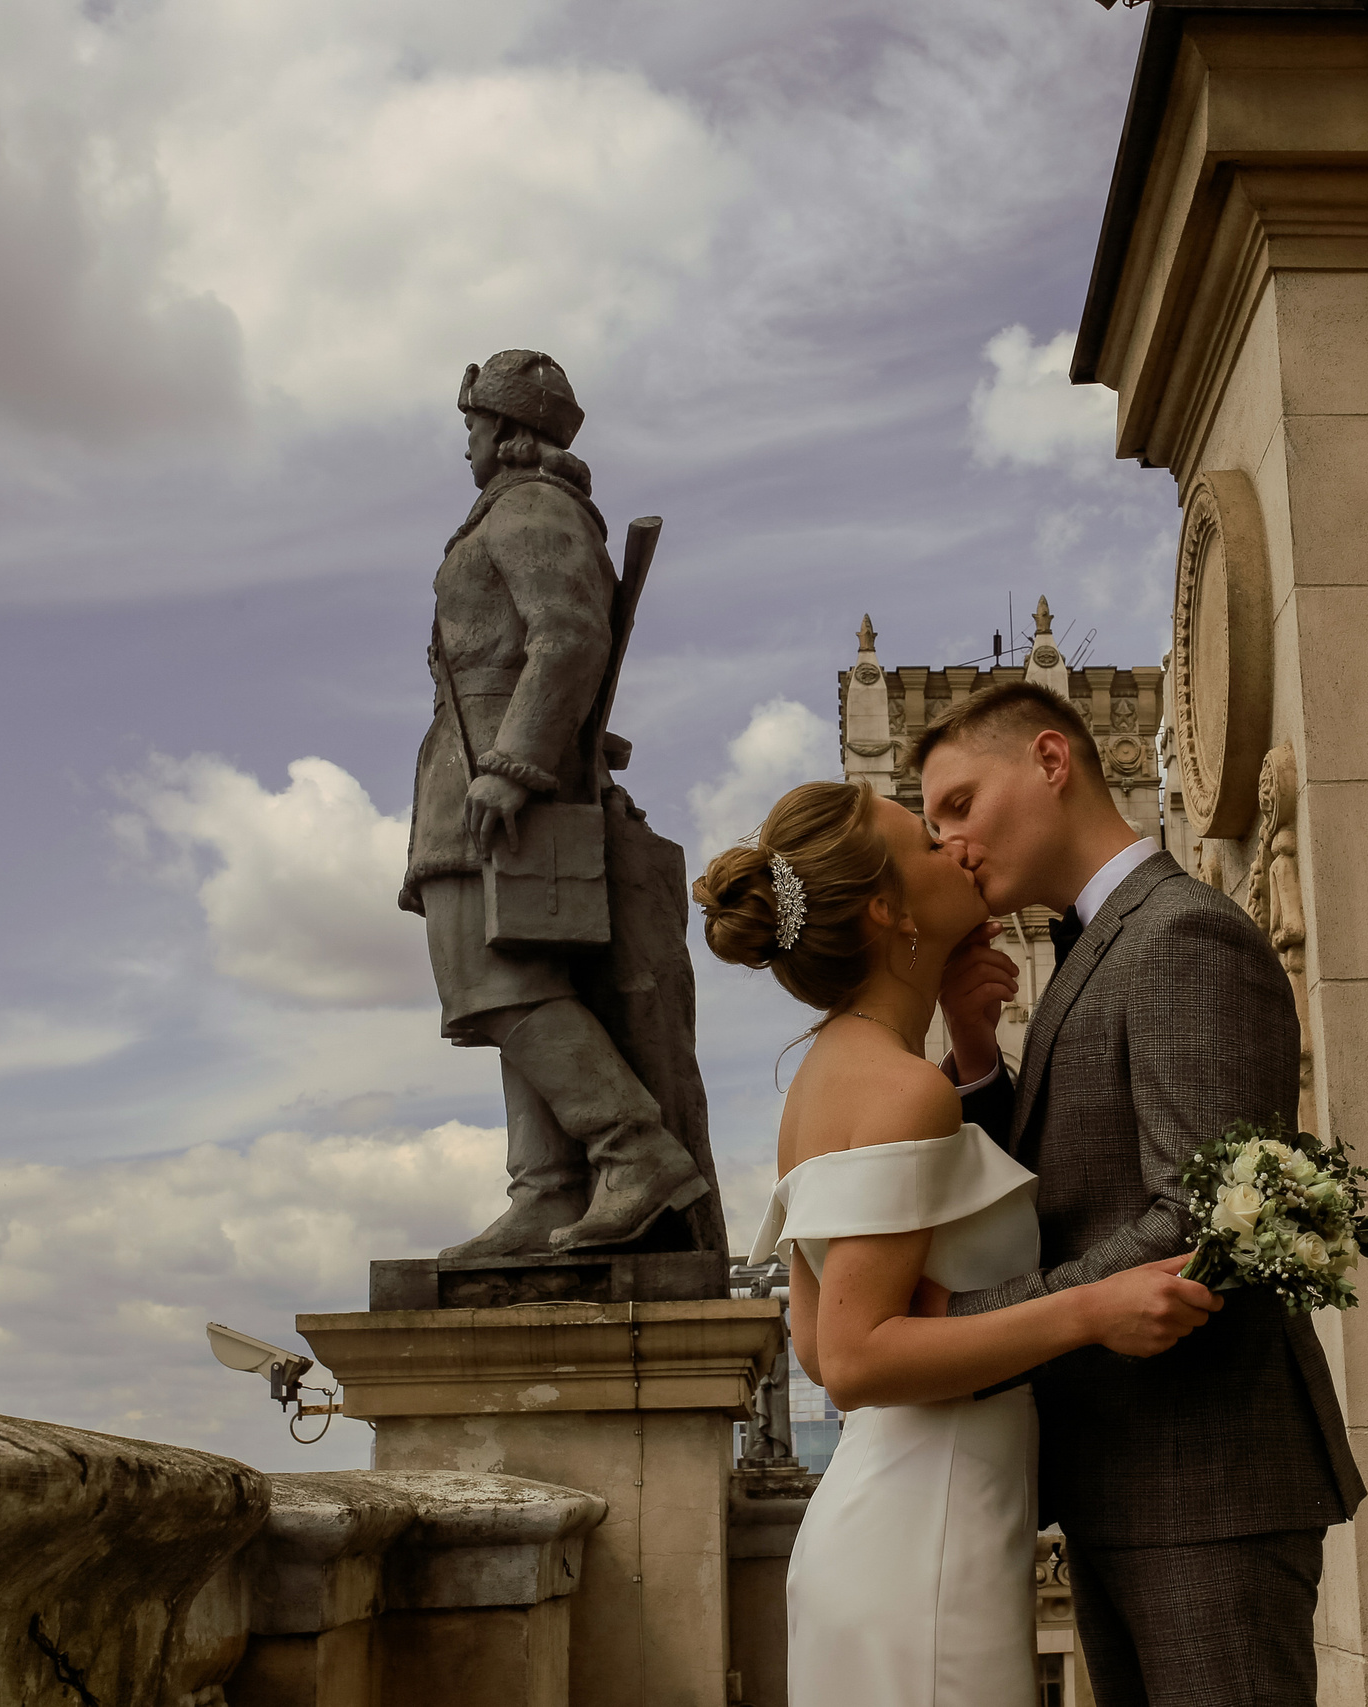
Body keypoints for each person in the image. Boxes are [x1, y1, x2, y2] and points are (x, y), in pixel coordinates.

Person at [696, 779, 1224, 1707]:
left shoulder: (826, 1078)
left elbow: (818, 1342)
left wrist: (971, 1043)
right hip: (929, 1540)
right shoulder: (903, 1092)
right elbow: (855, 1360)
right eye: (927, 844)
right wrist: (1090, 1308)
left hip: (894, 1526)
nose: (958, 848)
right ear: (888, 909)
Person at [914, 682, 1365, 1707]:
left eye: (957, 805)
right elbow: (1084, 1181)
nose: (948, 844)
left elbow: (1194, 1217)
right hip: (1129, 1473)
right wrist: (980, 1061)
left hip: (1203, 1475)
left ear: (1049, 760)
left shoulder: (1179, 937)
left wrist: (964, 1330)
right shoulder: (1104, 938)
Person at [400, 349, 716, 1259]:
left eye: (472, 428)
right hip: (474, 773)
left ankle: (635, 1151)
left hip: (500, 783)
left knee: (502, 985)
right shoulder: (509, 510)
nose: (467, 446)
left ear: (504, 431)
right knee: (500, 981)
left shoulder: (534, 508)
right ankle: (548, 1188)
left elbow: (569, 635)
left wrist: (516, 763)